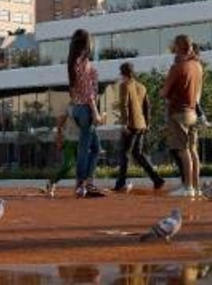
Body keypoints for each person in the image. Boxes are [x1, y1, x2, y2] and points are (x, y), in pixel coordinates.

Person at [114, 61, 166, 192]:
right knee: (138, 154)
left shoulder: (124, 85)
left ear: (122, 73)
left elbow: (124, 105)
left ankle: (120, 184)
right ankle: (157, 179)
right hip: (141, 124)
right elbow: (147, 106)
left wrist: (124, 123)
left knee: (124, 154)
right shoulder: (141, 86)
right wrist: (147, 123)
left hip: (131, 124)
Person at [162, 34, 203, 197]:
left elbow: (164, 92)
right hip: (193, 112)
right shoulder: (198, 66)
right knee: (193, 151)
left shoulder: (177, 67)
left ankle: (187, 187)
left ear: (178, 47)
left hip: (178, 112)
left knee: (183, 150)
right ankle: (196, 186)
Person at [68, 28, 106, 198]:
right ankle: (83, 184)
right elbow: (89, 92)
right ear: (87, 43)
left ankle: (85, 183)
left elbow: (73, 90)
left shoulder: (72, 61)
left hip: (77, 108)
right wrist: (96, 113)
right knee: (88, 148)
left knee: (94, 148)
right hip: (85, 109)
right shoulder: (83, 62)